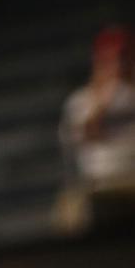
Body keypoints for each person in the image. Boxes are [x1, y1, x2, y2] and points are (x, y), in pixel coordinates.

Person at [57, 24, 135, 227]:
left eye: (124, 58)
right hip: (100, 186)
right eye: (110, 60)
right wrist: (102, 101)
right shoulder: (82, 100)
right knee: (71, 210)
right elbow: (86, 134)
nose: (118, 66)